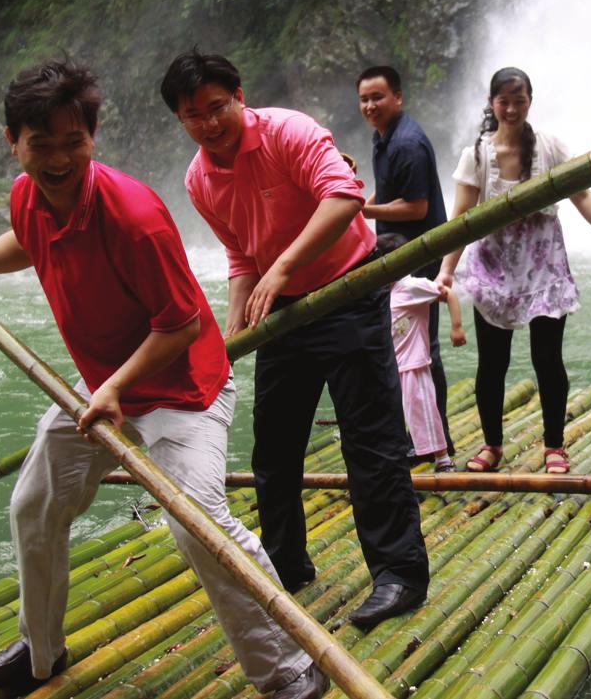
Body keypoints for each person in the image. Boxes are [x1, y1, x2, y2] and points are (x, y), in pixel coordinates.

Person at [0, 60, 324, 699]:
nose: (57, 159)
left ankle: (289, 668)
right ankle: (39, 654)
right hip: (106, 389)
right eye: (40, 144)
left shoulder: (133, 214)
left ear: (92, 139)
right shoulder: (29, 194)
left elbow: (183, 326)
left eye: (72, 143)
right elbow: (30, 238)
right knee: (34, 505)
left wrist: (111, 389)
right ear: (11, 141)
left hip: (185, 391)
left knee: (199, 525)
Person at [162, 49, 429, 630]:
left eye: (216, 107)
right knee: (275, 449)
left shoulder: (289, 131)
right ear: (180, 120)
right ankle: (286, 561)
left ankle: (399, 576)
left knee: (371, 440)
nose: (209, 123)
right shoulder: (198, 178)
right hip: (283, 313)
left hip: (347, 292)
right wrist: (237, 317)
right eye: (192, 115)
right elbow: (240, 251)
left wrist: (280, 268)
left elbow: (344, 196)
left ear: (239, 95)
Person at [435, 67, 591, 476]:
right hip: (493, 266)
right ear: (492, 103)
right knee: (492, 363)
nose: (511, 108)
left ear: (530, 101)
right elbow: (461, 218)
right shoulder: (476, 155)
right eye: (503, 101)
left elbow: (580, 193)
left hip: (543, 263)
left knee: (547, 359)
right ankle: (492, 445)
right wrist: (446, 271)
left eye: (519, 100)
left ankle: (554, 447)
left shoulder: (550, 147)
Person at [356, 65, 455, 456]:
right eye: (364, 98)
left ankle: (436, 442)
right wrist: (367, 207)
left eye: (378, 97)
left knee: (423, 351)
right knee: (404, 350)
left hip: (419, 256)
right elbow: (388, 190)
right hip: (398, 256)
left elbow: (416, 208)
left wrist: (363, 212)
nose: (370, 105)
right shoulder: (384, 137)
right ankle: (418, 437)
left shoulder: (406, 144)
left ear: (397, 97)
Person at [377, 232, 466, 473]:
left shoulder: (411, 286)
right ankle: (411, 451)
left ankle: (443, 459)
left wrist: (456, 327)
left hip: (414, 365)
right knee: (401, 415)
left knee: (425, 411)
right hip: (393, 365)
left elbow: (447, 293)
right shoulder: (385, 290)